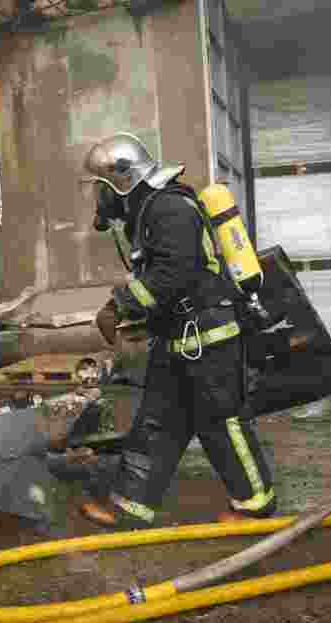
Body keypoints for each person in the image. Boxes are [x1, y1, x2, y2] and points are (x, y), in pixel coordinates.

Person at [80, 132, 277, 529]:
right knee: (158, 421)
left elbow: (173, 272)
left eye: (102, 189)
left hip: (209, 339)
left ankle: (256, 507)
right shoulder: (148, 211)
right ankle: (130, 506)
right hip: (179, 340)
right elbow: (160, 276)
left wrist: (119, 305)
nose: (100, 200)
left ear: (123, 179)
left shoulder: (169, 208)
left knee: (222, 423)